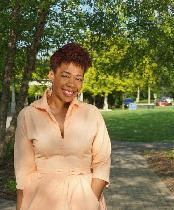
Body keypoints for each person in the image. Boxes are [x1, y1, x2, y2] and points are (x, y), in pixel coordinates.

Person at [14, 43, 111, 210]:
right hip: (40, 201)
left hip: (85, 201)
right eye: (66, 76)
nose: (72, 84)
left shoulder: (92, 114)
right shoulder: (28, 115)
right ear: (52, 74)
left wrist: (90, 201)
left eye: (78, 78)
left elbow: (102, 165)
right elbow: (23, 172)